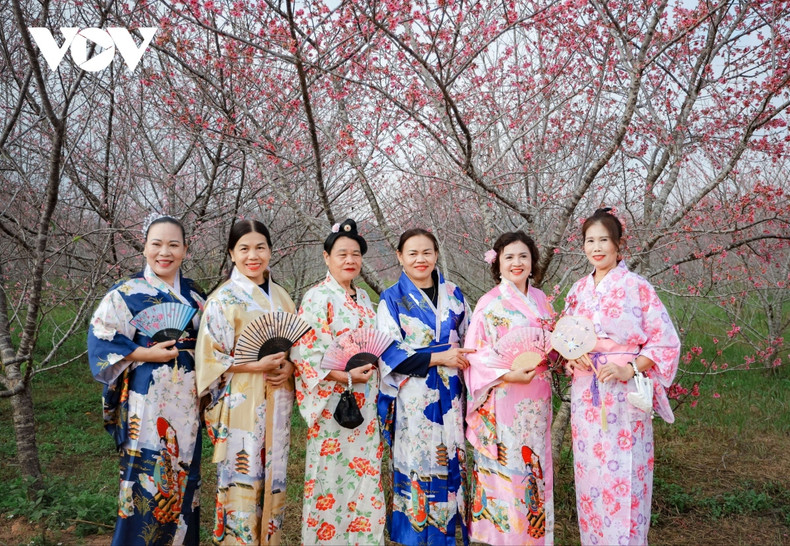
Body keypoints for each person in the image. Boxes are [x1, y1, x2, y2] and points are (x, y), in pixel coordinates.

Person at [565, 208, 680, 545]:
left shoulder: (636, 287)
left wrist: (628, 368)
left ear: (618, 245)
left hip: (625, 393)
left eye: (604, 240)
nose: (596, 247)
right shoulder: (577, 290)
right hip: (587, 392)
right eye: (590, 240)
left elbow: (665, 342)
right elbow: (567, 339)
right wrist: (573, 359)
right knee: (591, 476)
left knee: (626, 474)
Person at [87, 215, 205, 545]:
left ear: (185, 249)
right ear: (144, 247)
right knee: (146, 482)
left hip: (187, 406)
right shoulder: (125, 294)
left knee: (185, 482)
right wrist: (144, 353)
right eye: (156, 244)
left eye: (173, 244)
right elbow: (101, 340)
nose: (164, 252)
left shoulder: (195, 296)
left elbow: (214, 343)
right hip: (147, 403)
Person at [291, 219, 404, 545]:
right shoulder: (317, 297)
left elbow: (376, 346)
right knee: (330, 478)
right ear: (327, 257)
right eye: (341, 254)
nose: (349, 260)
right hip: (332, 407)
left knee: (365, 478)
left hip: (364, 403)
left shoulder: (366, 300)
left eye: (355, 254)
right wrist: (344, 374)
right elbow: (306, 354)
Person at [195, 220, 295, 545]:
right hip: (241, 401)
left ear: (270, 250)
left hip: (278, 398)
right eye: (244, 248)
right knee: (243, 475)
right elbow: (210, 361)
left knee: (274, 477)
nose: (253, 256)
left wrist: (290, 366)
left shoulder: (281, 296)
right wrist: (255, 364)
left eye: (260, 247)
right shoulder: (222, 299)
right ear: (232, 253)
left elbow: (298, 346)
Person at [376, 228, 473, 546]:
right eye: (413, 253)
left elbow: (470, 341)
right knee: (416, 466)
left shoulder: (455, 295)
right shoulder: (391, 298)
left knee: (448, 466)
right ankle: (415, 538)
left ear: (435, 255)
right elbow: (389, 355)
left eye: (427, 252)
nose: (421, 259)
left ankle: (447, 537)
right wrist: (440, 357)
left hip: (449, 399)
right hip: (414, 400)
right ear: (400, 257)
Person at [463, 231, 555, 545]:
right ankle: (506, 537)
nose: (517, 263)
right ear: (498, 263)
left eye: (523, 256)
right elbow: (477, 353)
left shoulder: (541, 300)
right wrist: (508, 373)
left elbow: (551, 345)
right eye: (509, 257)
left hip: (537, 396)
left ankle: (534, 534)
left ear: (533, 262)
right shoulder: (489, 304)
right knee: (510, 466)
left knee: (535, 465)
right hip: (504, 396)